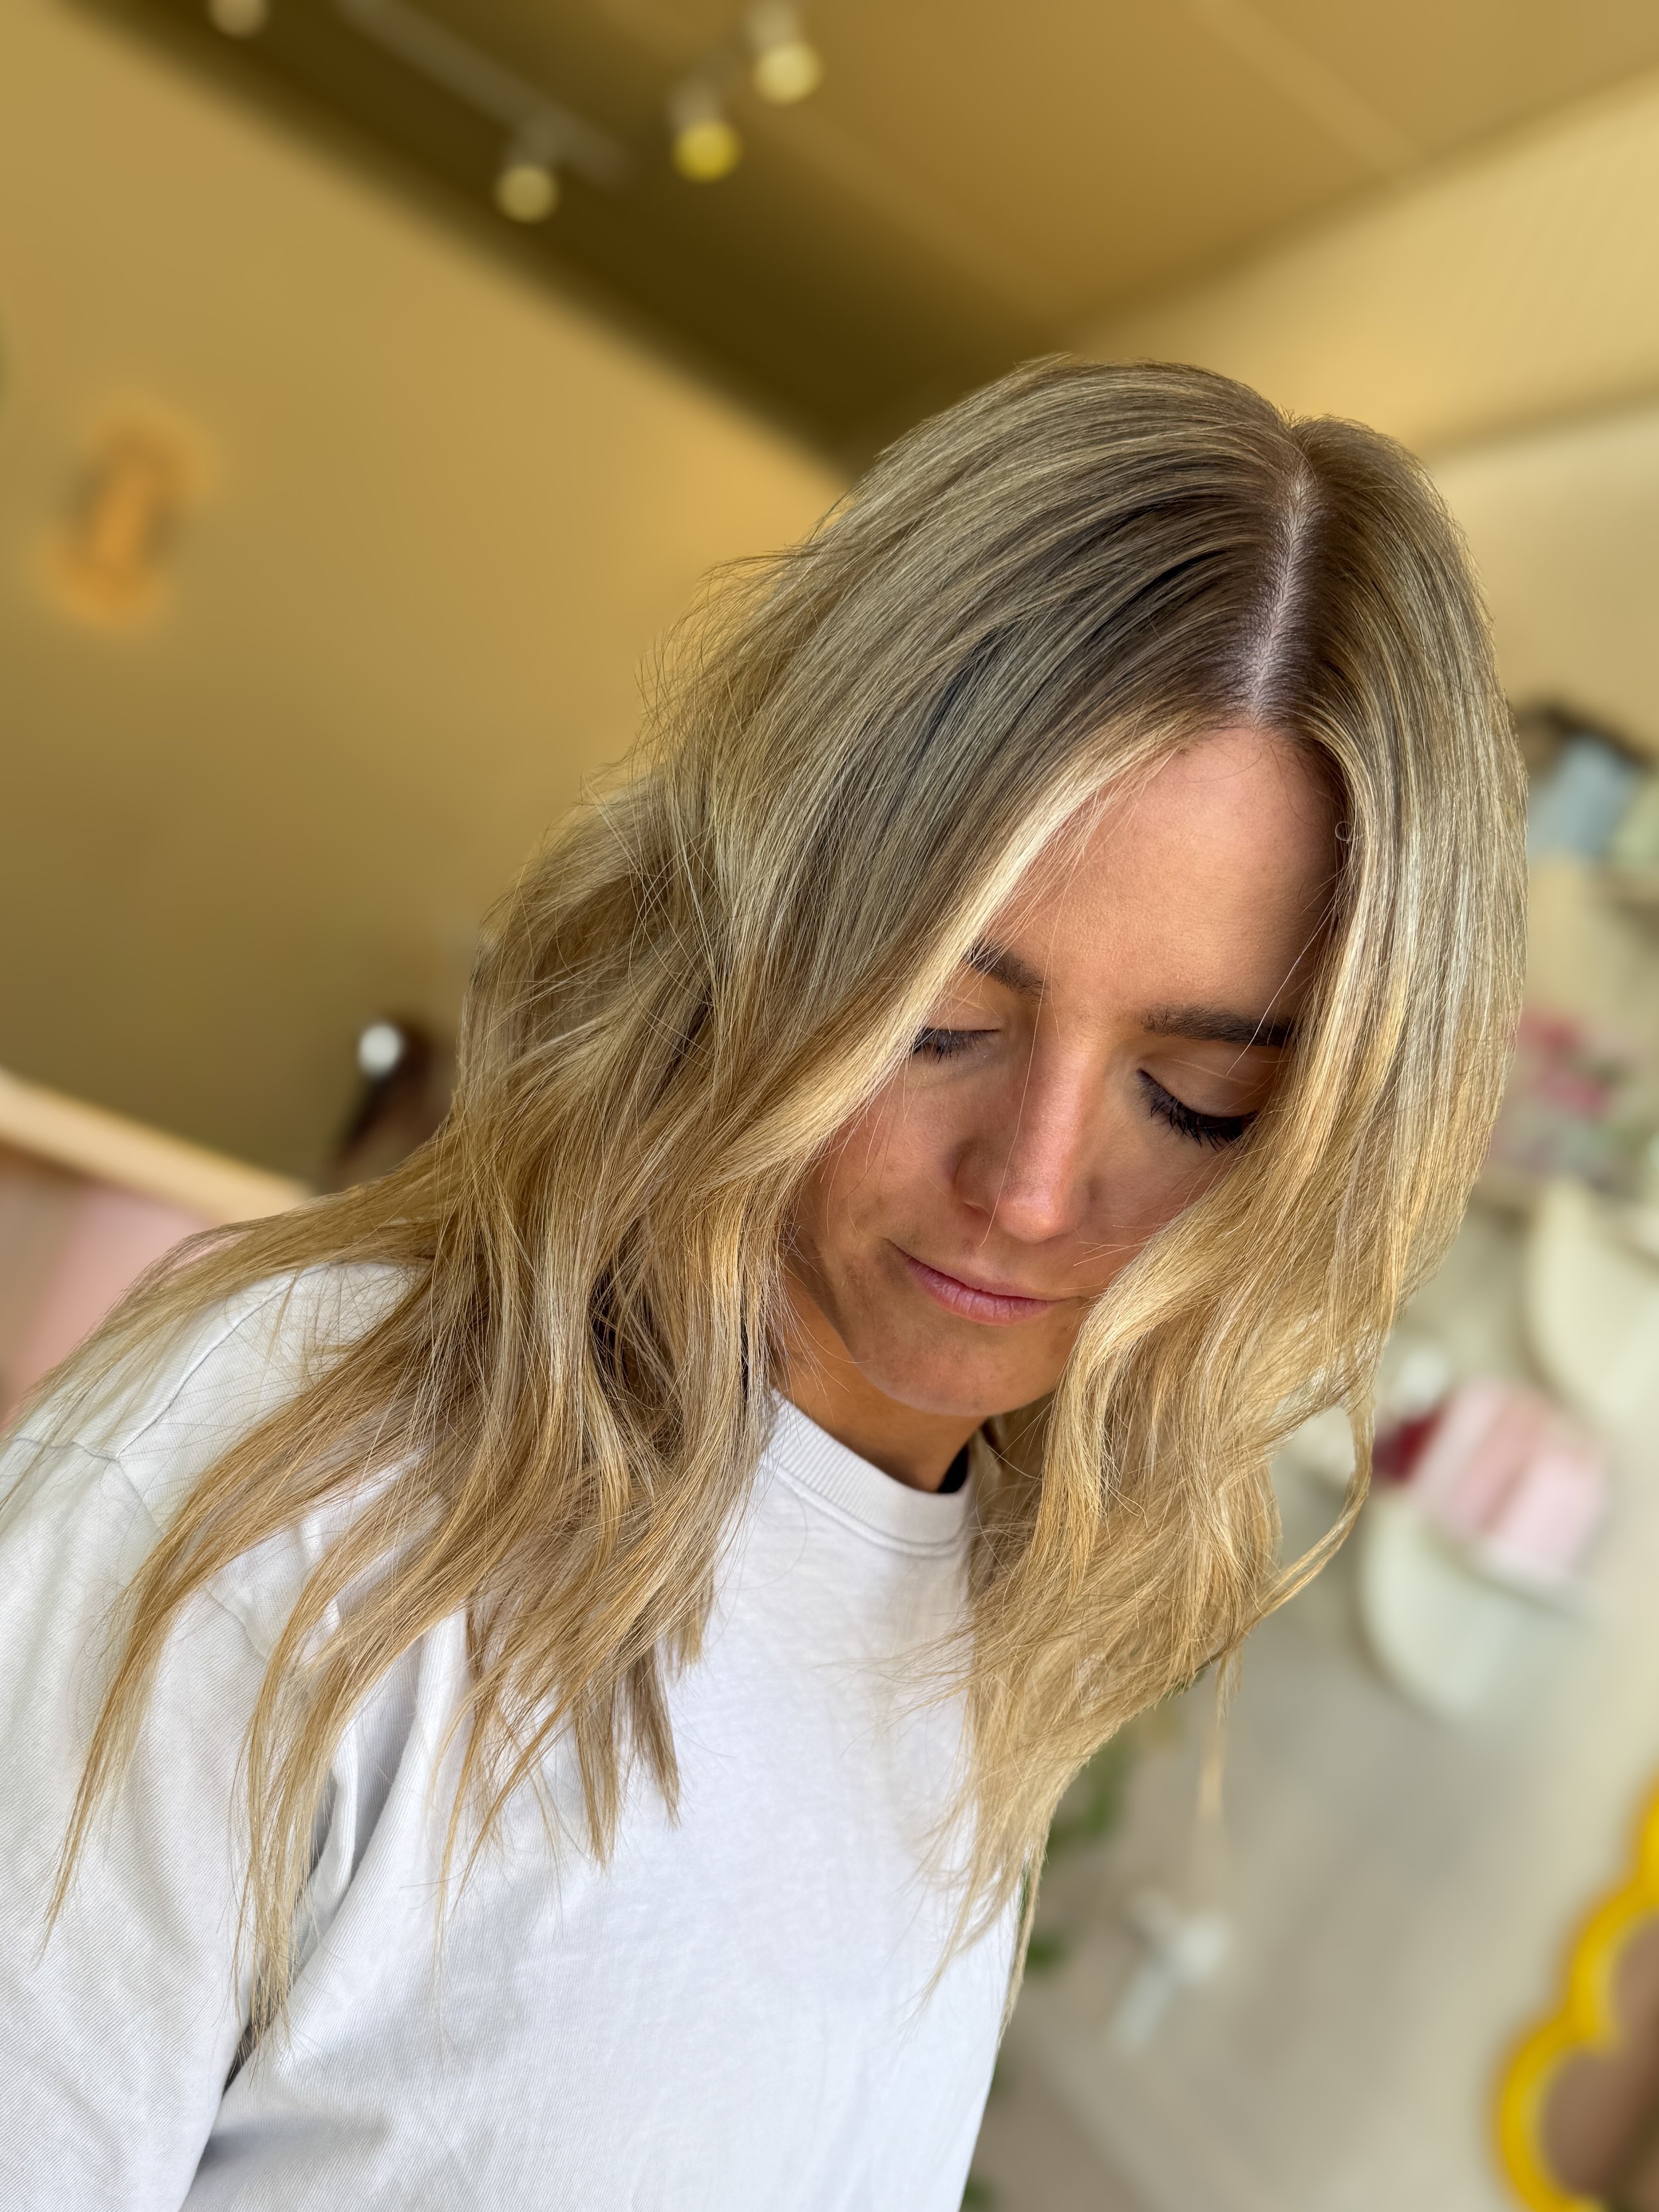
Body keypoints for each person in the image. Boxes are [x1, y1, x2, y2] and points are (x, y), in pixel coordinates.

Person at [0, 360, 1524, 2210]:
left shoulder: (986, 1606)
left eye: (1190, 1099)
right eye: (941, 1021)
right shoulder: (291, 1479)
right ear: (765, 924)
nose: (1030, 1192)